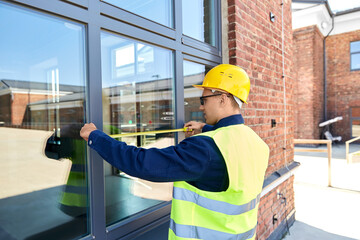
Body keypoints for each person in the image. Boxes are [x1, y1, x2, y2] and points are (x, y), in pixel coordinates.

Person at [80, 64, 269, 240]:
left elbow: (143, 163)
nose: (201, 106)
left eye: (203, 100)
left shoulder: (205, 149)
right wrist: (204, 128)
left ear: (222, 97)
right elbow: (227, 142)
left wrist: (95, 136)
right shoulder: (257, 144)